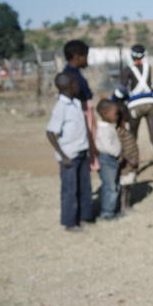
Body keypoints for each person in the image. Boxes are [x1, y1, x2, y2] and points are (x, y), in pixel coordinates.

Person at [46, 72, 93, 232]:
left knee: (84, 187)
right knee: (70, 190)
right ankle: (70, 222)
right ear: (68, 86)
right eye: (75, 83)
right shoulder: (61, 107)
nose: (78, 86)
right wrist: (63, 156)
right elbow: (50, 133)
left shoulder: (76, 103)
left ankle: (84, 216)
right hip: (69, 157)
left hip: (82, 152)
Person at [115, 44, 153, 175]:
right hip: (150, 103)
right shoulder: (148, 68)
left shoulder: (127, 70)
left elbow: (121, 91)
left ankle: (133, 166)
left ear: (132, 55)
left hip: (135, 105)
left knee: (133, 137)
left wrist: (116, 99)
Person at [61, 39, 97, 170]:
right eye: (85, 56)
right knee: (88, 138)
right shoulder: (70, 75)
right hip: (82, 110)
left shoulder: (74, 72)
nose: (87, 60)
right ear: (77, 57)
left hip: (86, 109)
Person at [95, 99, 122, 221]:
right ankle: (107, 212)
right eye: (115, 114)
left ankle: (112, 209)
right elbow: (106, 146)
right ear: (105, 114)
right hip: (107, 159)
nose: (117, 116)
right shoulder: (102, 130)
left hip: (112, 160)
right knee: (110, 186)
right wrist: (118, 153)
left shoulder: (109, 127)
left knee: (114, 185)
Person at [116, 107, 139, 214]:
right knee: (124, 188)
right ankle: (123, 207)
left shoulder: (125, 130)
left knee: (128, 187)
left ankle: (127, 205)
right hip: (126, 165)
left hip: (131, 165)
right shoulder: (118, 132)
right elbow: (119, 149)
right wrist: (129, 159)